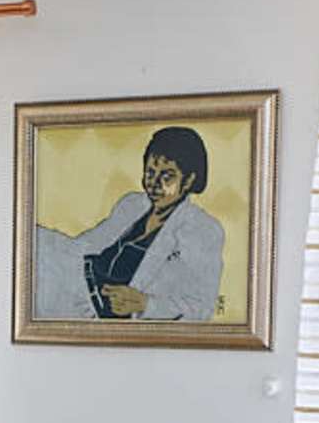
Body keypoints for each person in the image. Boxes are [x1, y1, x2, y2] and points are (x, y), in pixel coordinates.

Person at [47, 124, 226, 323]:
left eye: (167, 176)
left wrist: (145, 304)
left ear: (189, 180)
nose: (154, 184)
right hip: (74, 285)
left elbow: (201, 308)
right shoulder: (132, 204)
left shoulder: (202, 229)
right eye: (150, 173)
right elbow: (85, 245)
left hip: (98, 316)